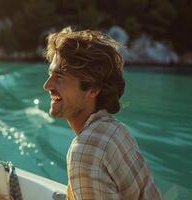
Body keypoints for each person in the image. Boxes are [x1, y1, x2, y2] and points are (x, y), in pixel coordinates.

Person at [43, 27, 162, 199]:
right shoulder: (116, 129)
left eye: (59, 77)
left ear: (93, 89)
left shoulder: (86, 151)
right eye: (50, 74)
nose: (47, 85)